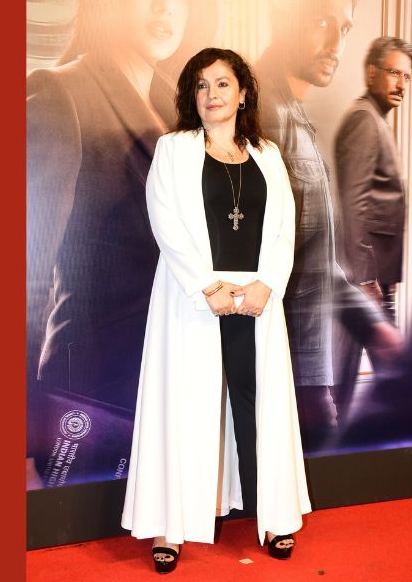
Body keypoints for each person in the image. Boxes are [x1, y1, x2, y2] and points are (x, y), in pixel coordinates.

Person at [121, 48, 310, 573]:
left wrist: (267, 284)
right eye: (201, 86)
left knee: (259, 407)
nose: (212, 94)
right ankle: (170, 528)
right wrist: (208, 287)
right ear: (191, 96)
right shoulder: (173, 149)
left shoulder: (267, 154)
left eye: (222, 83)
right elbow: (164, 221)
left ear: (243, 93)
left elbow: (284, 225)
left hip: (256, 300)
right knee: (185, 407)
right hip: (194, 299)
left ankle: (275, 517)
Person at [25, 0, 219, 485]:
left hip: (165, 379)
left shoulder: (182, 115)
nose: (165, 4)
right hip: (91, 390)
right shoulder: (60, 92)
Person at [256, 0, 402, 447]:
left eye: (345, 29)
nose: (336, 44)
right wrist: (299, 388)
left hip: (306, 371)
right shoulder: (262, 112)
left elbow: (312, 253)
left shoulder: (290, 111)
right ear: (282, 17)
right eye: (322, 22)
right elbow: (254, 263)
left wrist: (374, 328)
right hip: (289, 377)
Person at [334, 36, 412, 320]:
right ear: (372, 73)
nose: (402, 85)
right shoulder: (364, 120)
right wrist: (366, 278)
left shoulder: (375, 118)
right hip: (368, 279)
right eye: (394, 73)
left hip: (380, 276)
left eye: (407, 76)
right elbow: (353, 205)